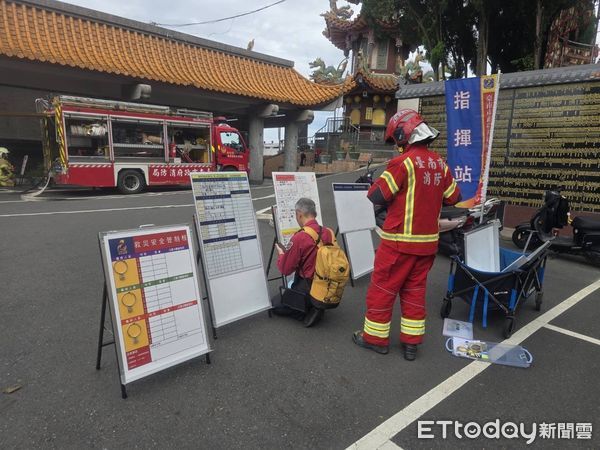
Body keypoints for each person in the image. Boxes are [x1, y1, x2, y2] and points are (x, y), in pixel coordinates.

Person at [352, 109, 461, 361]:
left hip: (398, 244)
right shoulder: (439, 164)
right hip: (427, 246)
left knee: (382, 290)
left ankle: (375, 339)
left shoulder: (403, 163)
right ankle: (411, 344)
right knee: (414, 292)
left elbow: (377, 196)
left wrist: (372, 182)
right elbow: (454, 197)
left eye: (398, 140)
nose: (397, 145)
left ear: (404, 135)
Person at [273, 197, 334, 327]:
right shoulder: (328, 232)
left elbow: (285, 269)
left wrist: (281, 254)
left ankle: (306, 310)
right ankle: (317, 305)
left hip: (307, 287)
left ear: (299, 214)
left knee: (275, 304)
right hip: (325, 285)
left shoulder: (300, 237)